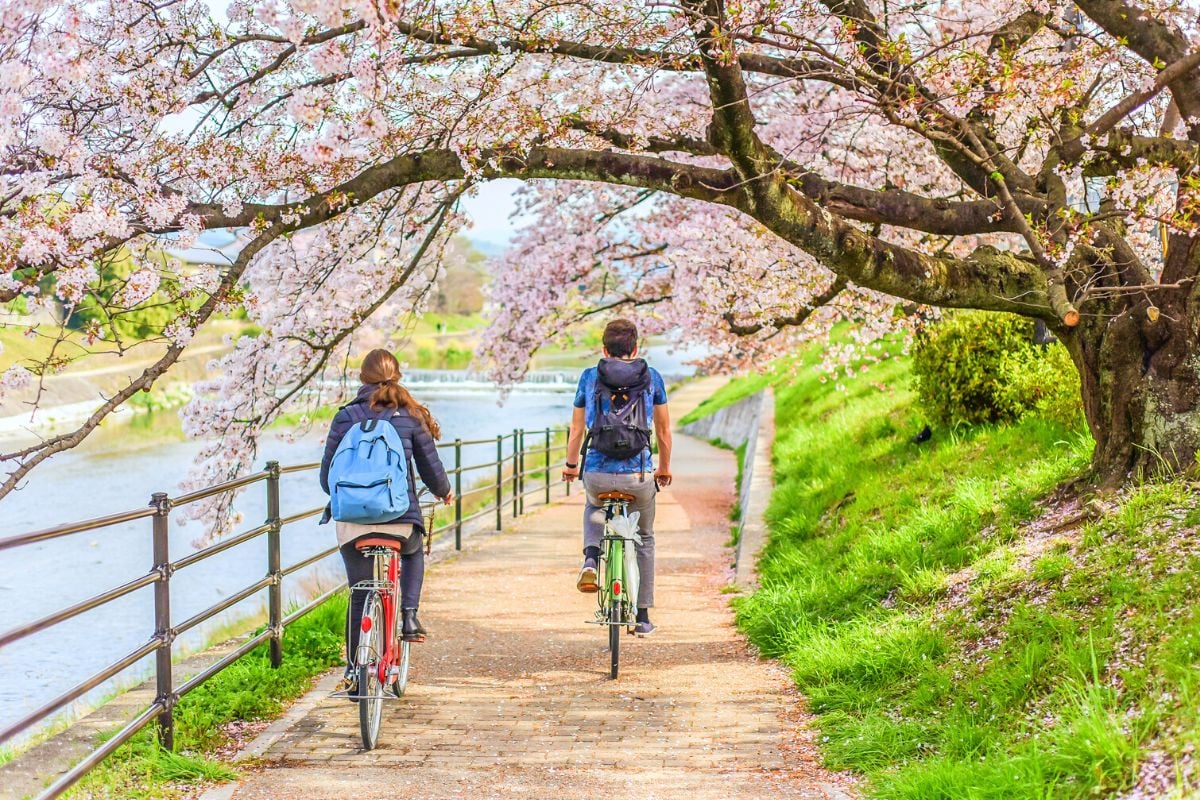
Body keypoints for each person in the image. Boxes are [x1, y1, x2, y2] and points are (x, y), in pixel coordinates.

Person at [319, 349, 453, 688]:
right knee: (412, 551)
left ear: (362, 378)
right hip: (399, 518)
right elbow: (430, 469)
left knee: (360, 591)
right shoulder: (409, 415)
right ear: (398, 376)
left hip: (351, 523)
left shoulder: (345, 416)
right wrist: (444, 491)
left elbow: (326, 478)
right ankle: (409, 616)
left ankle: (353, 670)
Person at [562, 319, 672, 637]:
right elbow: (663, 431)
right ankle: (642, 615)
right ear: (636, 349)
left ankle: (591, 560)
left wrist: (571, 466)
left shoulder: (588, 376)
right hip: (638, 475)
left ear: (604, 349)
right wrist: (663, 468)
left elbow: (577, 429)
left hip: (597, 473)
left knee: (593, 506)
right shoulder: (653, 377)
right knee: (645, 537)